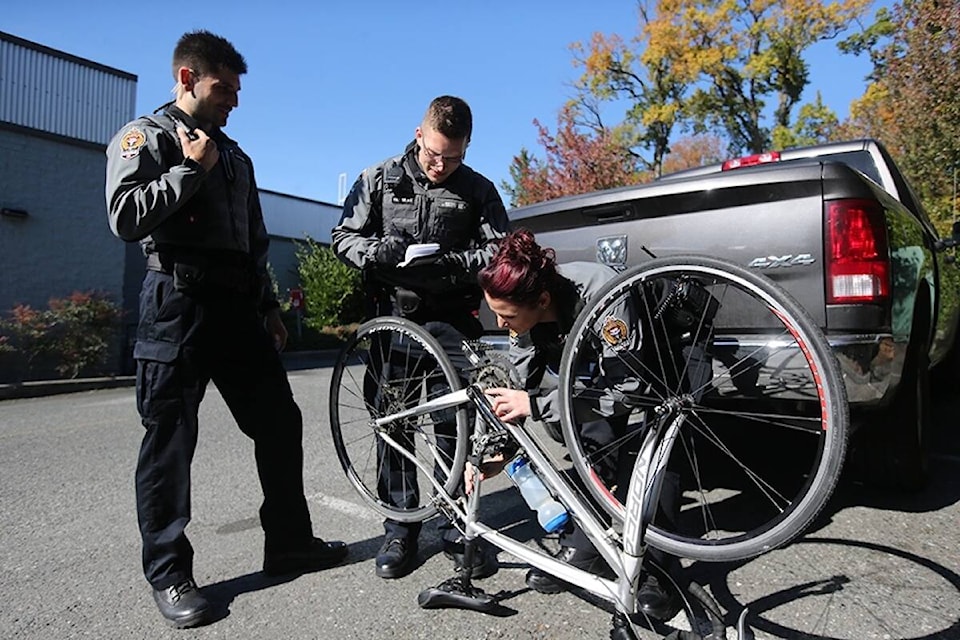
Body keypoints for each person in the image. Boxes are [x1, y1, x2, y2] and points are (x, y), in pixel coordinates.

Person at [105, 30, 347, 629]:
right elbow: (125, 217)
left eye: (238, 90)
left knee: (279, 422)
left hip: (238, 309)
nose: (234, 100)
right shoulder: (149, 137)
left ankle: (289, 542)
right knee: (169, 443)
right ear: (188, 78)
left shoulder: (236, 156)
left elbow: (254, 240)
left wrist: (268, 307)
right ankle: (169, 573)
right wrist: (186, 172)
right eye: (224, 88)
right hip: (177, 305)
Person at [473, 228, 701, 621]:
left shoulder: (603, 294)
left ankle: (659, 572)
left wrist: (536, 404)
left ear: (541, 300)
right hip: (613, 371)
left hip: (670, 355)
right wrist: (493, 450)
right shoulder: (526, 313)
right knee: (591, 431)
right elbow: (518, 383)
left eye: (506, 315)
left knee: (653, 453)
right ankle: (587, 548)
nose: (499, 321)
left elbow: (630, 390)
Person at [331, 95, 509, 581]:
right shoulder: (378, 179)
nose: (440, 165)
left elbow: (498, 251)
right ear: (418, 134)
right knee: (393, 424)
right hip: (394, 321)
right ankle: (401, 527)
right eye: (433, 153)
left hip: (453, 321)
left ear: (467, 147)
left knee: (457, 425)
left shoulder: (479, 190)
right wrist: (376, 253)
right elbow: (342, 238)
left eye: (453, 157)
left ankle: (457, 525)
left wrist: (453, 263)